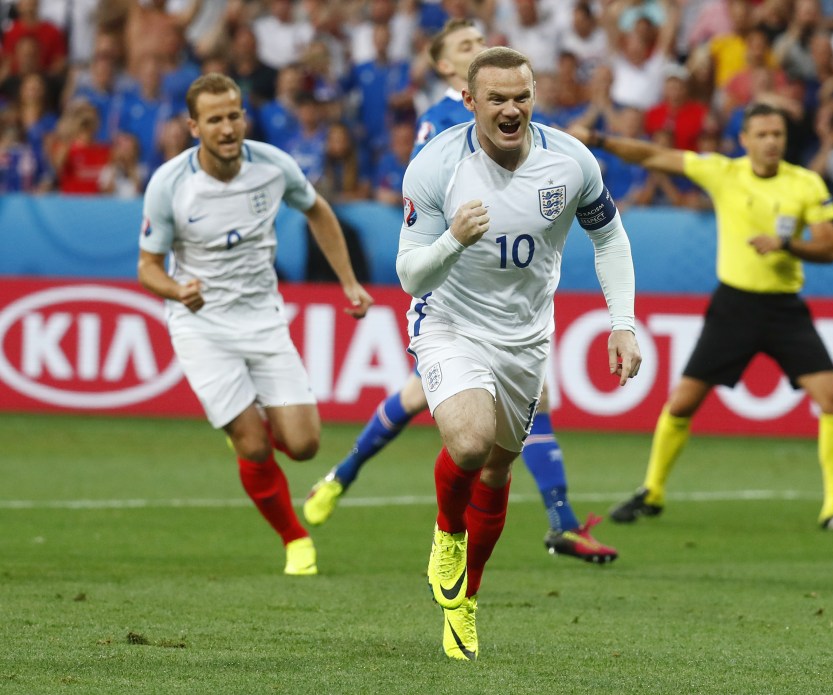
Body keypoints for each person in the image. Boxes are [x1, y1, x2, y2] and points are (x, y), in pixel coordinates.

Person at [304, 18, 622, 566]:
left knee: (479, 422)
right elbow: (423, 221)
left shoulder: (524, 123)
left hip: (509, 309)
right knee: (457, 422)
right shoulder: (440, 132)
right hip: (451, 305)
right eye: (466, 47)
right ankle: (553, 519)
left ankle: (346, 475)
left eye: (482, 41)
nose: (481, 48)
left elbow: (601, 227)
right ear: (450, 71)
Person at [393, 46, 640, 662]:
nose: (511, 109)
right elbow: (409, 275)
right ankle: (447, 535)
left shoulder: (571, 162)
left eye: (521, 97)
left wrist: (623, 323)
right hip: (449, 320)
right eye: (496, 98)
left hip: (525, 337)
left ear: (535, 96)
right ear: (470, 101)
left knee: (500, 470)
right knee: (470, 444)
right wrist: (453, 238)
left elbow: (608, 236)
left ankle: (466, 602)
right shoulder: (435, 168)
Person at [570, 102, 833, 533]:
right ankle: (651, 492)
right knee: (683, 401)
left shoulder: (806, 183)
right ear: (744, 140)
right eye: (762, 135)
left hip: (785, 309)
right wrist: (597, 140)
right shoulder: (723, 172)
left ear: (785, 141)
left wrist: (786, 246)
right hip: (734, 307)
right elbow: (654, 156)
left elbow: (829, 247)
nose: (770, 142)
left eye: (777, 135)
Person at [137, 73, 373, 576]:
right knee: (254, 444)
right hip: (200, 326)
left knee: (305, 446)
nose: (227, 127)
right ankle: (294, 540)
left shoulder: (272, 166)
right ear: (193, 125)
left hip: (263, 319)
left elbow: (319, 211)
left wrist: (348, 282)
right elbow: (148, 267)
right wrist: (178, 290)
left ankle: (254, 428)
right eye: (215, 119)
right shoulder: (170, 185)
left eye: (234, 115)